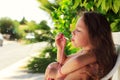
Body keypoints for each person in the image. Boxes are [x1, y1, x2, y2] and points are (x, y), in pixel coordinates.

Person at [45, 11, 117, 80]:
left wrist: (58, 73)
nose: (73, 32)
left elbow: (77, 62)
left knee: (80, 71)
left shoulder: (96, 54)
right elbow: (64, 62)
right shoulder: (85, 52)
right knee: (53, 66)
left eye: (78, 30)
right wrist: (60, 48)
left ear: (95, 37)